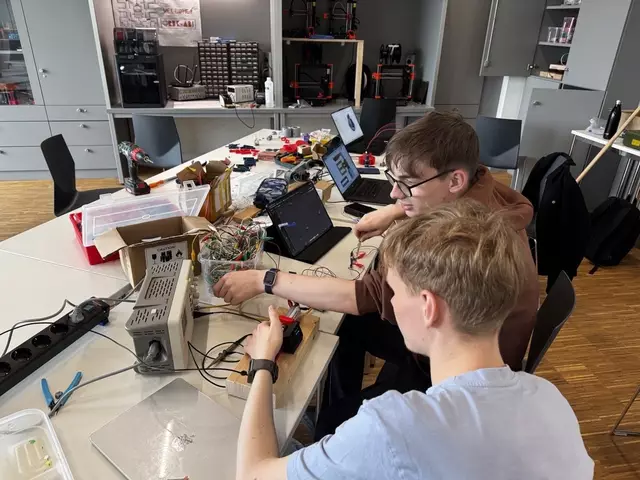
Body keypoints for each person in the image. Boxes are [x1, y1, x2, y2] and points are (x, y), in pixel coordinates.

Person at [215, 112, 539, 434]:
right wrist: (397, 210)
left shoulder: (461, 240)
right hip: (468, 342)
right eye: (394, 181)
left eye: (407, 184)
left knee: (336, 416)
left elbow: (362, 296)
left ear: (455, 180)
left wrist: (265, 279)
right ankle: (344, 400)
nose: (395, 193)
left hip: (457, 377)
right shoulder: (480, 187)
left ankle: (337, 421)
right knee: (349, 324)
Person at [235, 201, 593, 480]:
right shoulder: (551, 400)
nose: (389, 303)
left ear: (428, 307)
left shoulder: (394, 427)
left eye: (394, 291)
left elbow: (253, 474)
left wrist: (263, 363)